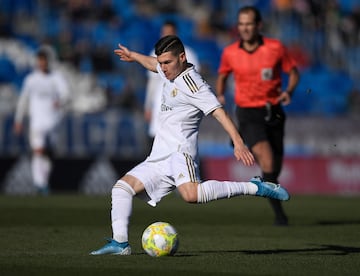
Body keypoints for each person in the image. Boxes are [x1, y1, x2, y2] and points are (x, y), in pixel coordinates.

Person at [90, 35, 290, 255]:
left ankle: (255, 187)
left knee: (191, 196)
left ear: (182, 57)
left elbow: (218, 112)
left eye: (167, 62)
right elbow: (152, 64)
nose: (162, 68)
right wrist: (134, 56)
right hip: (159, 156)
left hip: (180, 153)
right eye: (161, 62)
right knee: (121, 189)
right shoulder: (168, 71)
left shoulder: (194, 84)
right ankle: (120, 244)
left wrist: (238, 142)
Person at [216, 6, 300, 226]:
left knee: (274, 167)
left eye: (249, 23)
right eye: (241, 23)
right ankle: (280, 215)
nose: (244, 28)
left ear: (258, 25)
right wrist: (220, 95)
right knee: (267, 158)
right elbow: (223, 76)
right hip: (247, 112)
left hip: (274, 112)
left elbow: (293, 73)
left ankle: (271, 187)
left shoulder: (275, 48)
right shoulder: (230, 52)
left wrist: (288, 91)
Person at [14, 45, 70, 195]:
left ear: (48, 61)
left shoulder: (55, 78)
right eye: (40, 60)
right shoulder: (31, 79)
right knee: (38, 151)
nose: (42, 63)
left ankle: (42, 182)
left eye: (44, 60)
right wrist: (18, 120)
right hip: (37, 123)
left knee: (47, 154)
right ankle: (40, 184)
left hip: (53, 122)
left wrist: (60, 101)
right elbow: (23, 100)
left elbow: (66, 94)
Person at [144, 20, 200, 147]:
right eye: (164, 33)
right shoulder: (154, 54)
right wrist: (148, 106)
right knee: (156, 144)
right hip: (160, 106)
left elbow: (195, 84)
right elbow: (152, 84)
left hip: (181, 109)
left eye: (170, 33)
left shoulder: (188, 54)